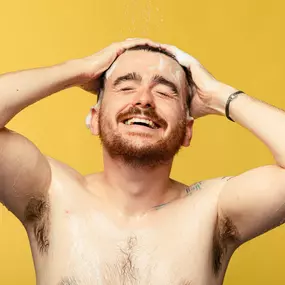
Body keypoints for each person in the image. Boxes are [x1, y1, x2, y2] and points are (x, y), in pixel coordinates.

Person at [0, 37, 285, 285]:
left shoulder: (214, 211)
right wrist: (78, 70)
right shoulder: (50, 193)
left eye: (164, 91)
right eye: (125, 87)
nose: (144, 100)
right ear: (94, 118)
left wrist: (220, 96)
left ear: (187, 129)